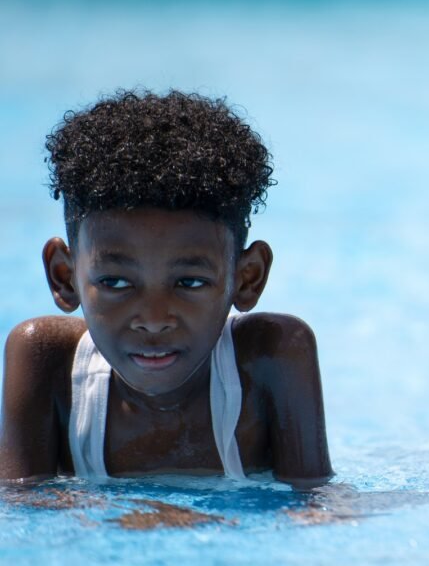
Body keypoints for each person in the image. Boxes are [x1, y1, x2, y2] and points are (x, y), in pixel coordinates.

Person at [0, 90, 332, 486]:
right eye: (116, 282)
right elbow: (21, 513)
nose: (154, 320)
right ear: (64, 276)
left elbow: (316, 510)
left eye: (189, 282)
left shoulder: (272, 356)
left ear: (247, 277)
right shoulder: (47, 361)